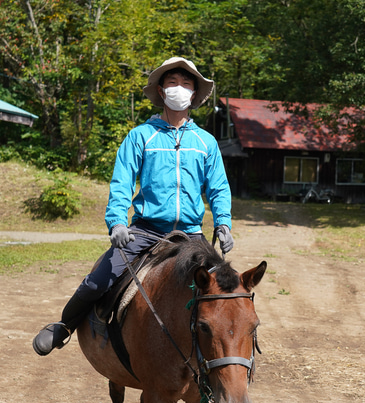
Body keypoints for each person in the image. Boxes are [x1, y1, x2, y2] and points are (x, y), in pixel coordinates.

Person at [33, 56, 234, 356]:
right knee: (98, 280)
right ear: (162, 90)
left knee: (227, 292)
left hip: (192, 235)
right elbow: (122, 183)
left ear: (194, 94)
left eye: (186, 84)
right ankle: (64, 326)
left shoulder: (206, 142)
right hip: (147, 231)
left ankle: (232, 357)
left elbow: (218, 187)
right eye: (172, 83)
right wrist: (117, 222)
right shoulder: (140, 136)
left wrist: (224, 223)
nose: (179, 88)